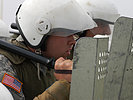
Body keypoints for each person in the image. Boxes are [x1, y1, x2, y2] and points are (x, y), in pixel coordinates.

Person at [0, 0, 96, 100]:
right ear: (40, 32)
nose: (73, 41)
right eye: (66, 34)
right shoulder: (4, 64)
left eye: (75, 34)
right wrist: (63, 85)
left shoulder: (47, 58)